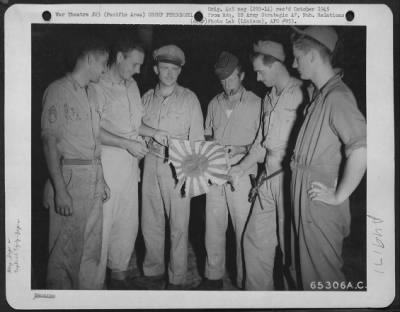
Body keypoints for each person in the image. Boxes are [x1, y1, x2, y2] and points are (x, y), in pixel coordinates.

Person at [289, 26, 366, 290]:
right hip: (305, 196)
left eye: (297, 58)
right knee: (301, 273)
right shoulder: (320, 96)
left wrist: (338, 195)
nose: (293, 63)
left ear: (312, 57)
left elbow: (361, 149)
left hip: (318, 202)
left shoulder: (338, 97)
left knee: (323, 281)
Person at [90, 39, 167, 289]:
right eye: (134, 64)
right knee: (102, 227)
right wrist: (126, 143)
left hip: (130, 166)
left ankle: (118, 279)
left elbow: (135, 127)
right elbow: (92, 131)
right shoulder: (97, 86)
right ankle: (92, 288)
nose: (137, 70)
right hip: (107, 164)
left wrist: (155, 132)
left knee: (126, 225)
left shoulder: (132, 86)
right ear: (119, 57)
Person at [229, 40, 304, 290]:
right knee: (254, 240)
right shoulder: (269, 98)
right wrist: (240, 167)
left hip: (290, 177)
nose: (258, 79)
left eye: (260, 71)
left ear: (276, 65)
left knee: (290, 249)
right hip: (268, 176)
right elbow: (262, 143)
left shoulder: (303, 94)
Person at [132, 44, 204, 290]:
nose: (170, 74)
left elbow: (197, 140)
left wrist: (190, 175)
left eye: (174, 69)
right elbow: (134, 128)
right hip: (151, 162)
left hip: (178, 165)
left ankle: (176, 277)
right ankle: (153, 270)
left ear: (180, 71)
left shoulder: (189, 99)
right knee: (150, 222)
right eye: (165, 68)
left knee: (179, 225)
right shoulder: (145, 98)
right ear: (156, 69)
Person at [41, 37, 110, 289]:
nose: (105, 69)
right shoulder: (58, 90)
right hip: (70, 176)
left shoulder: (91, 94)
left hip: (92, 176)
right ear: (90, 60)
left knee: (91, 247)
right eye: (103, 63)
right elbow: (50, 143)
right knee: (65, 252)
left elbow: (95, 142)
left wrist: (101, 179)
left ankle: (88, 299)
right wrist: (60, 190)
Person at [193, 52, 261, 290]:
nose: (226, 84)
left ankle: (245, 283)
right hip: (215, 171)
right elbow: (207, 133)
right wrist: (210, 144)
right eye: (222, 80)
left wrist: (240, 148)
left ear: (242, 75)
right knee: (213, 225)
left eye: (231, 78)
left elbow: (264, 142)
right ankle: (213, 277)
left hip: (242, 173)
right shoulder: (213, 103)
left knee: (243, 229)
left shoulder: (256, 103)